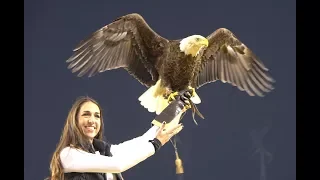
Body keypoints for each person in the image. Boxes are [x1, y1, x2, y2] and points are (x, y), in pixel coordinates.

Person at [47, 96, 186, 180]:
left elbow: (142, 140)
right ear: (74, 120)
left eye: (97, 116)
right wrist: (155, 144)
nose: (92, 120)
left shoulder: (104, 152)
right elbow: (118, 164)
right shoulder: (68, 154)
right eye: (86, 114)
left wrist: (177, 106)